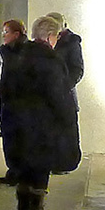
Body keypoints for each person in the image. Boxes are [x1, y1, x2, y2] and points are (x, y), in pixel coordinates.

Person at [0, 15, 79, 210]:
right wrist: (67, 118)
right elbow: (57, 95)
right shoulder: (50, 61)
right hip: (42, 124)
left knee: (24, 167)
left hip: (17, 121)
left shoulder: (17, 56)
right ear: (51, 36)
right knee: (40, 168)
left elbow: (3, 89)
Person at [43, 12, 84, 174]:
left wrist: (63, 86)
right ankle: (51, 161)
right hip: (48, 93)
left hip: (64, 94)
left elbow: (77, 69)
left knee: (66, 132)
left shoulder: (71, 43)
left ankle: (65, 163)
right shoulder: (50, 41)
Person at [0, 18, 26, 186]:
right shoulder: (3, 50)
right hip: (7, 100)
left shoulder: (26, 51)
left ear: (16, 34)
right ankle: (12, 170)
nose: (3, 35)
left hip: (21, 100)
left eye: (6, 32)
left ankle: (21, 171)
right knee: (9, 137)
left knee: (21, 138)